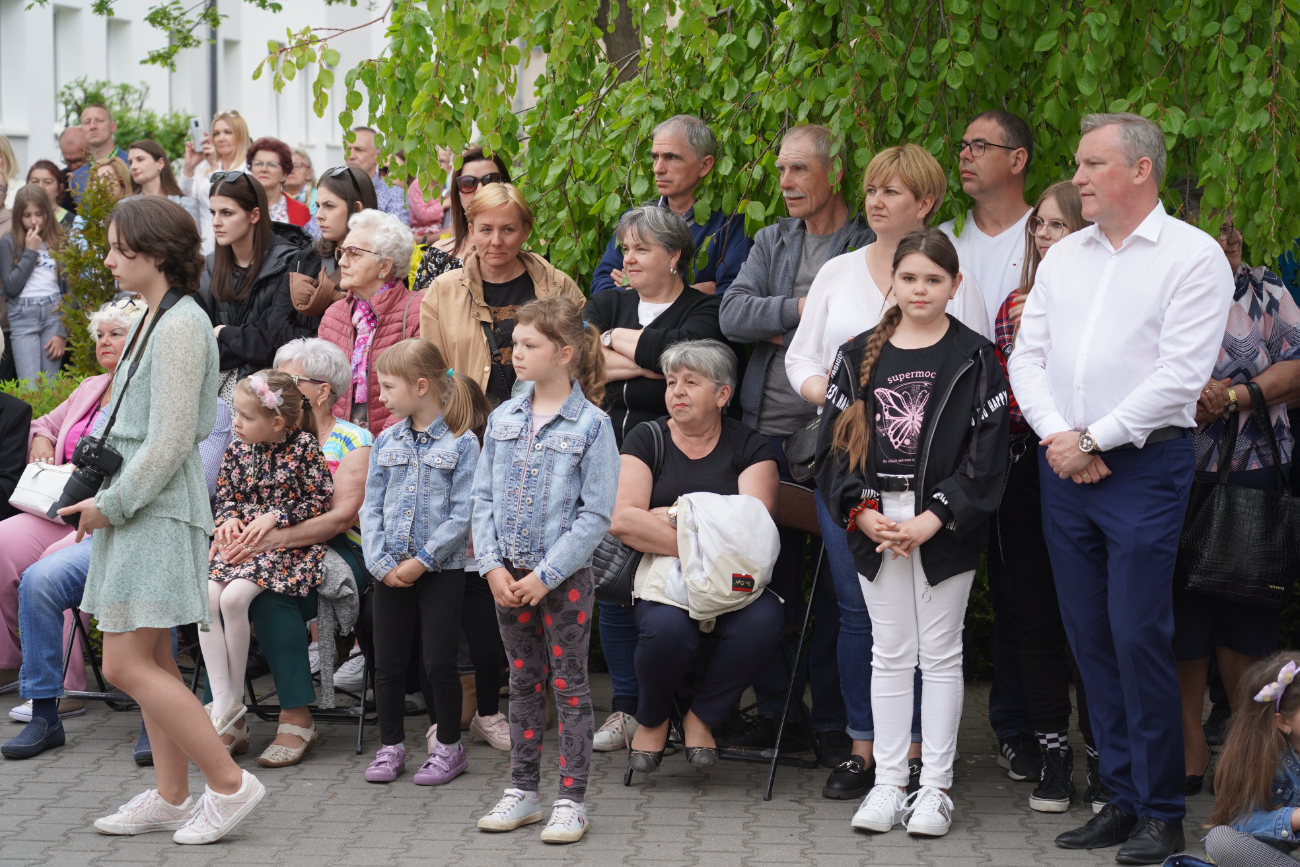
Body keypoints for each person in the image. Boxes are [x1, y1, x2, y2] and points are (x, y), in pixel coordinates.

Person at [1007, 112, 1235, 864]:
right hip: (1065, 462)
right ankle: (1121, 796)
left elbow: (1178, 374)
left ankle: (1163, 810)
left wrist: (1093, 438)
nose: (1076, 178)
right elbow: (1026, 356)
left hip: (1141, 467)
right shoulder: (1067, 255)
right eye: (1078, 165)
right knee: (1089, 636)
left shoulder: (1193, 257)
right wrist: (1059, 437)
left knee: (1139, 632)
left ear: (1140, 170)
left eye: (1091, 164)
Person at [55, 195, 266, 844]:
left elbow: (173, 439)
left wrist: (110, 504)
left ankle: (229, 784)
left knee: (122, 663)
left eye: (120, 247)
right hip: (138, 510)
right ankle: (174, 795)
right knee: (153, 658)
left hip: (152, 511)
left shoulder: (178, 325)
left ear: (153, 252)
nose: (110, 258)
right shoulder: (157, 317)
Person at [783, 144, 989, 800]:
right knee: (865, 621)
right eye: (871, 189)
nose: (875, 201)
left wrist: (936, 512)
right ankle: (870, 754)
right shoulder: (841, 276)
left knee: (935, 638)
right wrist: (841, 405)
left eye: (892, 191)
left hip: (936, 499)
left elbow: (974, 397)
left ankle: (930, 766)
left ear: (926, 202)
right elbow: (804, 359)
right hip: (860, 482)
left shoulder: (962, 306)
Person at [817, 228, 1009, 837]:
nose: (920, 290)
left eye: (934, 279)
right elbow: (831, 449)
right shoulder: (855, 355)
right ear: (892, 284)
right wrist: (862, 510)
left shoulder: (976, 357)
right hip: (875, 524)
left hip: (942, 527)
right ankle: (888, 784)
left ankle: (935, 789)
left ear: (955, 285)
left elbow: (989, 453)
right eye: (909, 278)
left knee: (942, 653)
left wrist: (934, 517)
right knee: (891, 652)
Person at [717, 123, 871, 767]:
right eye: (781, 170)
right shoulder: (771, 240)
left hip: (841, 442)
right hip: (767, 440)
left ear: (833, 172)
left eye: (799, 170)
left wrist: (778, 318)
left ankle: (836, 724)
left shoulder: (865, 243)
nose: (785, 183)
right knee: (765, 580)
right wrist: (804, 308)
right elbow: (731, 313)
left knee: (843, 589)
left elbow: (866, 331)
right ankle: (782, 716)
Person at [3, 387, 230, 762]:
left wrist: (118, 491)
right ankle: (45, 713)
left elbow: (198, 483)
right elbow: (88, 465)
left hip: (167, 535)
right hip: (108, 533)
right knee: (39, 581)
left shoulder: (210, 409)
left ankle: (155, 721)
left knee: (153, 590)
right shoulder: (123, 398)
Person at [472, 297, 619, 843]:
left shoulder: (593, 425)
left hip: (561, 582)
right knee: (522, 681)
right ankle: (523, 790)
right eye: (515, 343)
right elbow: (482, 498)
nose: (515, 353)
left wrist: (546, 576)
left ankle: (572, 798)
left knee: (571, 685)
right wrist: (491, 567)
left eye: (529, 345)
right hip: (506, 579)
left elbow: (596, 515)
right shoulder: (505, 417)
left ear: (565, 353)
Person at [1174, 207, 1300, 798]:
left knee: (1245, 616)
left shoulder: (1266, 292)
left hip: (1252, 472)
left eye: (1232, 224)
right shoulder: (1160, 284)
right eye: (1207, 226)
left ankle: (1250, 763)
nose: (1225, 236)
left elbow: (1299, 366)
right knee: (1179, 617)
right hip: (1168, 471)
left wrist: (1236, 394)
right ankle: (1188, 753)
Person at [612, 339, 783, 769]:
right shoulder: (646, 437)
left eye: (691, 382)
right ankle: (651, 720)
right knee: (667, 630)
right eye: (672, 382)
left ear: (723, 394)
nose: (677, 392)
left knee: (763, 622)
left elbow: (754, 532)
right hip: (663, 577)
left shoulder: (752, 447)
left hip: (733, 579)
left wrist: (670, 516)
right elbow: (622, 521)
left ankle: (702, 716)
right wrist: (707, 537)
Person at [991, 181, 1106, 813]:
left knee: (1092, 622)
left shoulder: (1101, 300)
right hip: (1031, 466)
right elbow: (1015, 392)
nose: (1044, 236)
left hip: (1101, 461)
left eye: (1057, 226)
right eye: (1040, 225)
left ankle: (1102, 756)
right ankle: (1052, 755)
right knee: (1034, 617)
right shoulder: (1017, 304)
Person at [207, 338, 373, 767]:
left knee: (267, 599)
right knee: (215, 596)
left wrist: (274, 533)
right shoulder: (248, 440)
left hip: (330, 549)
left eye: (294, 379)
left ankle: (296, 715)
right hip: (255, 543)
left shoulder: (352, 439)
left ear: (321, 389)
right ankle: (227, 714)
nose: (281, 384)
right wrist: (238, 530)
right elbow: (229, 493)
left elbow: (338, 518)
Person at [937, 113, 1040, 775]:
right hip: (952, 444)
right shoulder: (944, 240)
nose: (967, 156)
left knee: (1022, 590)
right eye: (964, 145)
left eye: (982, 146)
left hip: (1028, 439)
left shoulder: (1051, 234)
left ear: (1019, 158)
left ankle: (1023, 725)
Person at [0, 297, 146, 694]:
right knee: (1, 543)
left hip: (108, 515)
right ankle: (10, 663)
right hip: (60, 508)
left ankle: (64, 688)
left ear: (141, 338)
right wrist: (44, 440)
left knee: (52, 565)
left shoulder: (147, 392)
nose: (104, 341)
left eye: (116, 333)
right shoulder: (90, 386)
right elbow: (43, 422)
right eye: (99, 335)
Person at [358, 338, 485, 785]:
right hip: (390, 572)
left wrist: (424, 560)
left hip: (440, 573)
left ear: (422, 386)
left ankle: (449, 747)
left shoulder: (463, 443)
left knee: (438, 662)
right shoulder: (385, 440)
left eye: (388, 387)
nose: (381, 396)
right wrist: (380, 563)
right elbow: (370, 507)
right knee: (388, 664)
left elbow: (463, 510)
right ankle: (391, 746)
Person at [203, 371, 332, 744]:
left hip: (284, 550)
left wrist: (277, 515)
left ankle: (233, 702)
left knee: (234, 598)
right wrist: (227, 520)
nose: (236, 424)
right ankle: (225, 702)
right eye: (235, 415)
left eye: (245, 417)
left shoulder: (304, 446)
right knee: (206, 598)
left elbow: (320, 497)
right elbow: (226, 495)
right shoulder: (238, 448)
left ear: (277, 423)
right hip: (242, 543)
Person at [418, 182, 585, 407]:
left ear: (525, 231)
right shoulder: (443, 292)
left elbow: (583, 363)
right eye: (486, 229)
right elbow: (432, 373)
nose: (496, 241)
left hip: (548, 424)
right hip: (472, 430)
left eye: (508, 229)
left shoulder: (558, 287)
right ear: (472, 232)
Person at [585, 205, 733, 441]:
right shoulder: (606, 304)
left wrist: (610, 337)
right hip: (596, 447)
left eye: (641, 249)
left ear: (674, 254)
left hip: (670, 452)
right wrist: (657, 365)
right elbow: (577, 363)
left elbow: (691, 366)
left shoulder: (707, 310)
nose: (628, 260)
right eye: (626, 249)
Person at [590, 115, 750, 297]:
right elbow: (601, 289)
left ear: (704, 165)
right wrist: (687, 293)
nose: (658, 168)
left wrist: (636, 288)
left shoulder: (730, 224)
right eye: (655, 157)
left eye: (671, 157)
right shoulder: (635, 219)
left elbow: (729, 301)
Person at [199, 169, 321, 392]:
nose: (216, 222)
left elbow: (273, 344)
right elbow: (198, 344)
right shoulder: (209, 267)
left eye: (226, 213)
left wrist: (224, 333)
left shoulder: (292, 263)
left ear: (254, 215)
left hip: (274, 391)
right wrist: (242, 343)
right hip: (213, 389)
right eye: (213, 212)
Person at [318, 209, 422, 434]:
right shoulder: (334, 314)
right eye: (342, 252)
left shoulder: (418, 311)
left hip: (396, 448)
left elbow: (420, 392)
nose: (343, 262)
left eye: (354, 253)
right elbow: (320, 391)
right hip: (338, 448)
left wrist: (376, 452)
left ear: (384, 266)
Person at [1202, 652, 1300, 867]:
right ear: (1283, 722)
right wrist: (1293, 818)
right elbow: (1238, 821)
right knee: (1220, 840)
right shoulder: (1262, 759)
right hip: (1282, 843)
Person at [273, 165, 379, 350]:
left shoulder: (379, 266)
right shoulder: (303, 260)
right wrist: (325, 338)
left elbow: (371, 334)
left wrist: (307, 332)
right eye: (317, 206)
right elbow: (275, 328)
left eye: (329, 206)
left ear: (357, 209)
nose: (319, 216)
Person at [412, 146, 511, 286]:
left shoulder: (530, 255)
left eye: (491, 180)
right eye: (468, 183)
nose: (480, 190)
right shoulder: (437, 257)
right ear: (456, 194)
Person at [1, 185, 67, 382]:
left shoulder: (58, 239)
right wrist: (30, 252)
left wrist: (62, 332)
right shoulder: (8, 241)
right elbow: (10, 288)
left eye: (39, 214)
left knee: (51, 386)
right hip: (22, 316)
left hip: (54, 312)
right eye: (27, 215)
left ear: (47, 212)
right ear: (18, 216)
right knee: (30, 387)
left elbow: (70, 289)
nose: (34, 221)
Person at [181, 111, 252, 255]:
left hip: (234, 249)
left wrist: (214, 166)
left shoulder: (248, 169)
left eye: (227, 132)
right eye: (216, 133)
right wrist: (189, 166)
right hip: (204, 248)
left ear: (241, 135)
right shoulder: (204, 168)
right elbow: (185, 198)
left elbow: (227, 197)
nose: (221, 138)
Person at [125, 140, 204, 234]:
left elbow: (195, 245)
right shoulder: (125, 206)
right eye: (130, 162)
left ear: (160, 163)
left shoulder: (186, 205)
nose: (133, 166)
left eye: (140, 159)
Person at [347, 127, 410, 226]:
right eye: (348, 149)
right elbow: (315, 232)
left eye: (359, 150)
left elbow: (397, 236)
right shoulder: (333, 189)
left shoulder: (394, 195)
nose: (351, 155)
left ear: (378, 156)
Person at [248, 138, 311, 228]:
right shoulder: (239, 206)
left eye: (272, 164)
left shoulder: (301, 211)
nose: (264, 169)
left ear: (284, 174)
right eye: (258, 164)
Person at [68, 104, 127, 200]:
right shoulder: (77, 178)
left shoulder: (132, 164)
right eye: (87, 122)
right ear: (81, 131)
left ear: (112, 127)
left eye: (99, 121)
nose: (92, 126)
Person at [26, 162, 75, 230]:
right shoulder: (17, 218)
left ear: (60, 188)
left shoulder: (73, 223)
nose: (40, 187)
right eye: (35, 181)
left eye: (47, 182)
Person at [407, 172, 445, 248]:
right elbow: (422, 215)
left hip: (437, 232)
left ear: (449, 168)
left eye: (442, 162)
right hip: (419, 233)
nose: (438, 166)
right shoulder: (419, 184)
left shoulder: (440, 187)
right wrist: (443, 204)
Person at [286, 149, 317, 214]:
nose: (291, 170)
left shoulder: (321, 199)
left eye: (296, 166)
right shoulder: (271, 200)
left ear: (309, 173)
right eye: (287, 166)